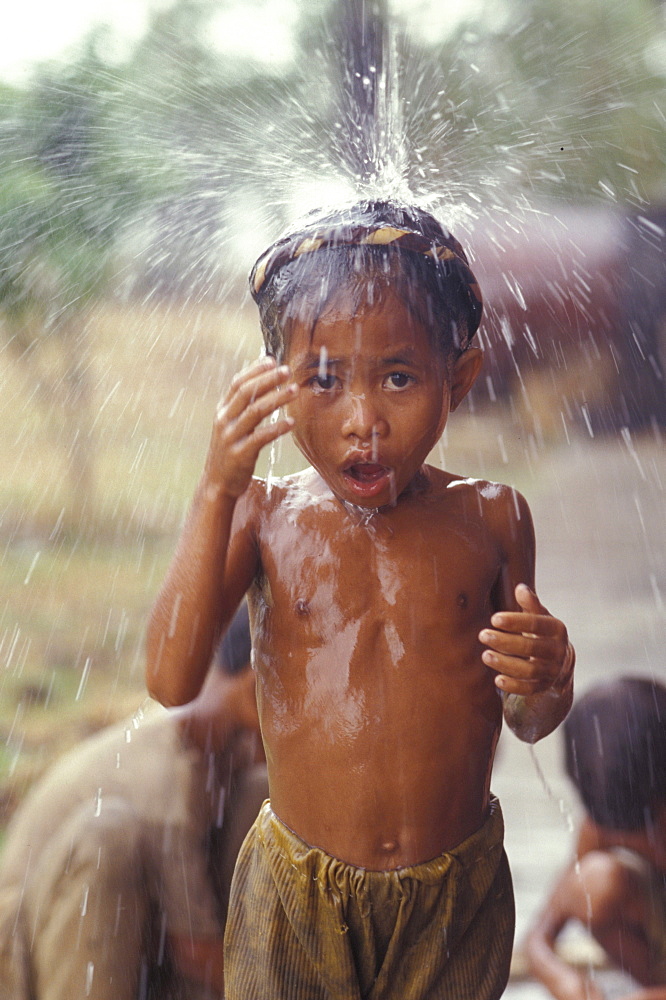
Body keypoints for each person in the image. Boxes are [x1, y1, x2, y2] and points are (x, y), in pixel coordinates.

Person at [146, 199, 575, 1000]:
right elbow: (170, 682)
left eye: (401, 378)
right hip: (297, 894)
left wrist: (548, 678)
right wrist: (215, 488)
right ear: (275, 386)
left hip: (455, 892)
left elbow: (526, 721)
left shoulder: (492, 518)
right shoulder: (262, 518)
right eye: (324, 380)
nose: (363, 423)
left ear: (462, 377)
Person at [0, 603, 267, 1000]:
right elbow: (195, 949)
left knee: (261, 800)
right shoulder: (168, 775)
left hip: (133, 947)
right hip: (27, 961)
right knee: (110, 836)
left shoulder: (220, 756)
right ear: (251, 688)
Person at [525, 676, 666, 1000]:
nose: (646, 835)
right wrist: (562, 979)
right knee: (593, 883)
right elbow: (540, 934)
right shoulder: (608, 819)